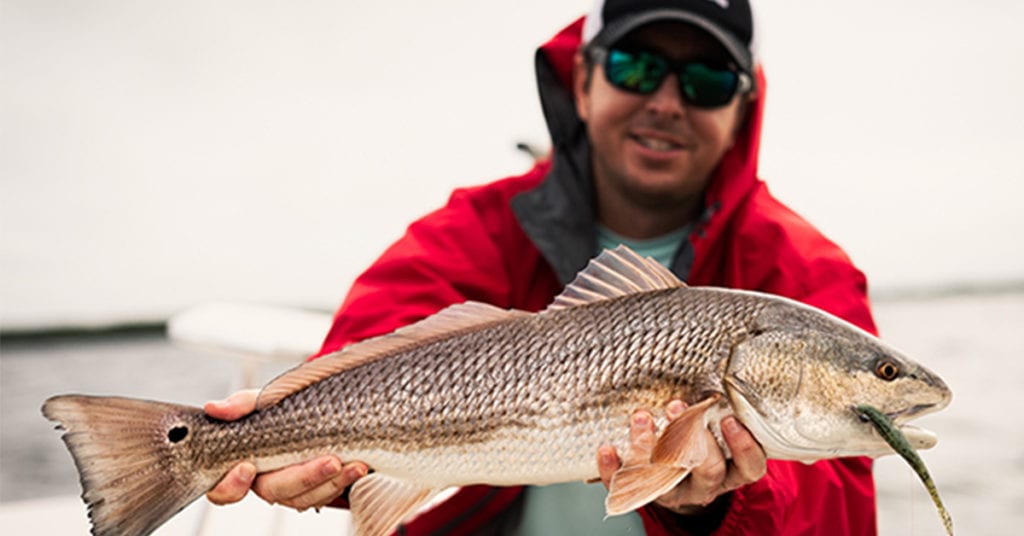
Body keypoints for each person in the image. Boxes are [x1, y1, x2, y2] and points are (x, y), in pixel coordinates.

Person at [205, 0, 880, 534]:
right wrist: (287, 426)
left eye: (706, 81)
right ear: (582, 81)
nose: (667, 102)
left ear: (744, 110)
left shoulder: (806, 269)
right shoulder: (476, 228)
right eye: (636, 67)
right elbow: (380, 340)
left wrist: (715, 508)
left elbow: (842, 509)